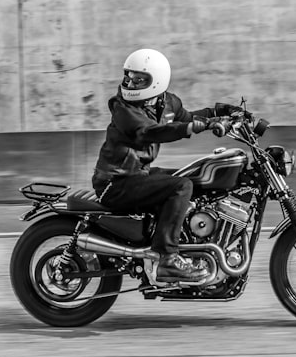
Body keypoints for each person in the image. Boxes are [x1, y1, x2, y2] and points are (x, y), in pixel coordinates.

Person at [91, 48, 243, 283]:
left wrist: (218, 113)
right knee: (181, 186)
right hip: (116, 182)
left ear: (157, 80)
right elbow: (151, 131)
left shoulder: (167, 102)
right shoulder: (124, 108)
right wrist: (192, 128)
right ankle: (167, 258)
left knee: (192, 179)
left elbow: (188, 117)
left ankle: (187, 242)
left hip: (136, 175)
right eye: (129, 77)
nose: (131, 83)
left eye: (139, 79)